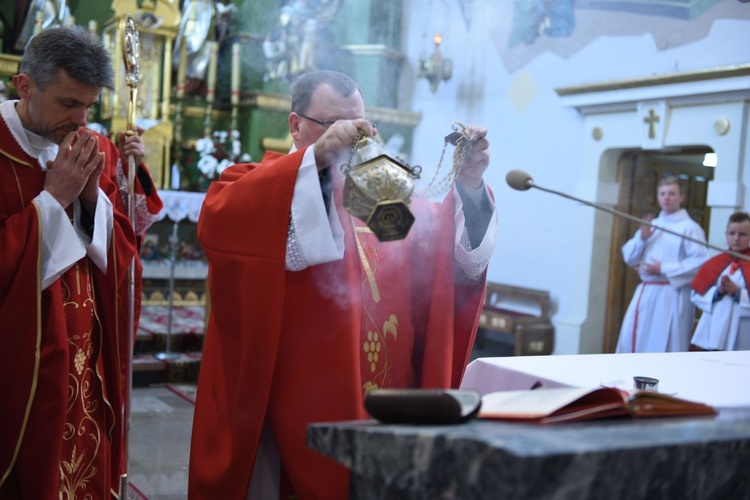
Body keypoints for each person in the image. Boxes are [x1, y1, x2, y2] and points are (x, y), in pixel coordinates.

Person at [189, 70, 498, 499]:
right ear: (296, 125)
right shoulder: (261, 184)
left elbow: (438, 256)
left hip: (389, 403)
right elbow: (223, 220)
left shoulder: (381, 191)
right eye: (335, 125)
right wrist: (316, 160)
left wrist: (469, 184)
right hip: (302, 407)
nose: (353, 138)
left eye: (361, 125)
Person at [0, 27, 162, 497]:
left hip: (84, 354)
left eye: (89, 107)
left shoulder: (90, 147)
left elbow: (123, 255)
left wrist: (93, 201)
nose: (81, 120)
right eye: (69, 104)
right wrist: (53, 201)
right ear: (25, 86)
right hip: (20, 358)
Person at [616, 176, 708, 353]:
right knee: (635, 337)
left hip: (672, 294)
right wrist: (642, 239)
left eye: (672, 194)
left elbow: (700, 263)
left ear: (681, 197)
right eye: (662, 193)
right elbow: (629, 257)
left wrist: (663, 269)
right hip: (646, 291)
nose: (666, 198)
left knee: (665, 340)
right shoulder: (652, 225)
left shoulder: (690, 228)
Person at [690, 212, 750, 351]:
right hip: (713, 328)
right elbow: (696, 294)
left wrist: (738, 293)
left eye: (742, 234)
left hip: (742, 330)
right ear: (726, 233)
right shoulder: (715, 262)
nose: (736, 238)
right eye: (732, 233)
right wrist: (718, 291)